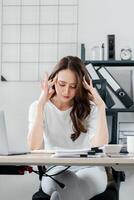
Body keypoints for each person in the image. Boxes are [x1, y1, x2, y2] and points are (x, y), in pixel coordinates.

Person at [27, 56, 109, 200]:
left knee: (76, 186)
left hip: (90, 168)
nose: (66, 91)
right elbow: (34, 147)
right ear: (53, 82)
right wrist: (41, 104)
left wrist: (101, 106)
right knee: (65, 182)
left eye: (73, 86)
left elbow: (99, 146)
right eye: (62, 84)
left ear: (82, 86)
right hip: (56, 168)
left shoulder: (91, 108)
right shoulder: (39, 107)